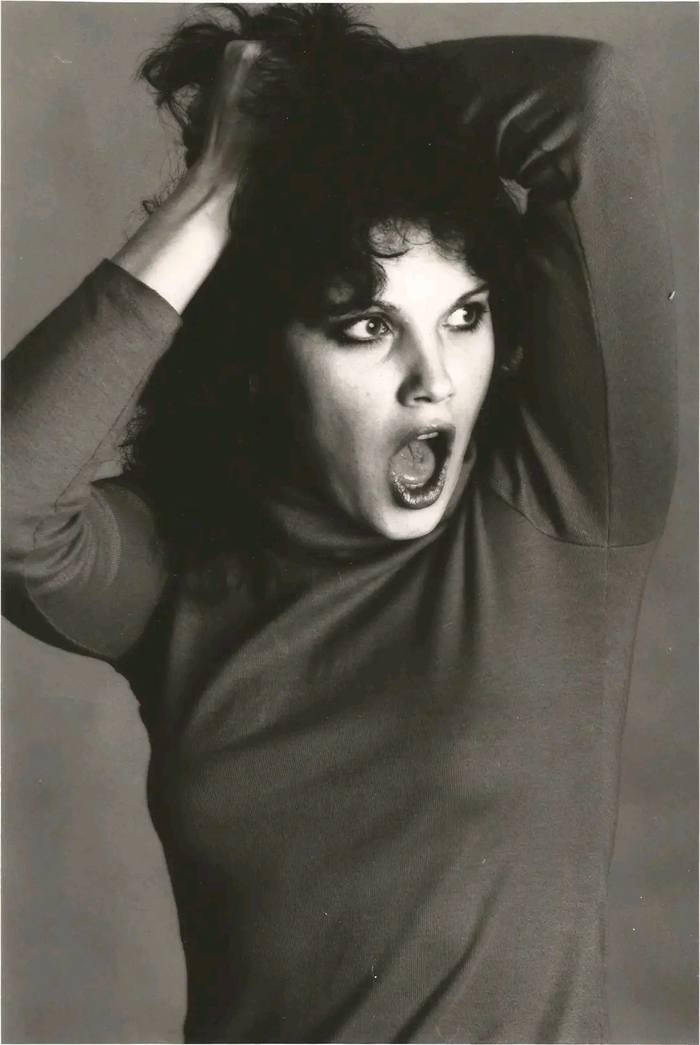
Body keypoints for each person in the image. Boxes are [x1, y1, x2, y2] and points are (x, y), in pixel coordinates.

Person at [3, 4, 677, 1043]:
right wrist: (218, 190)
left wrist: (320, 109)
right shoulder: (179, 571)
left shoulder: (562, 507)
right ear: (261, 362)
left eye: (465, 316)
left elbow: (589, 105)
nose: (433, 379)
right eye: (368, 325)